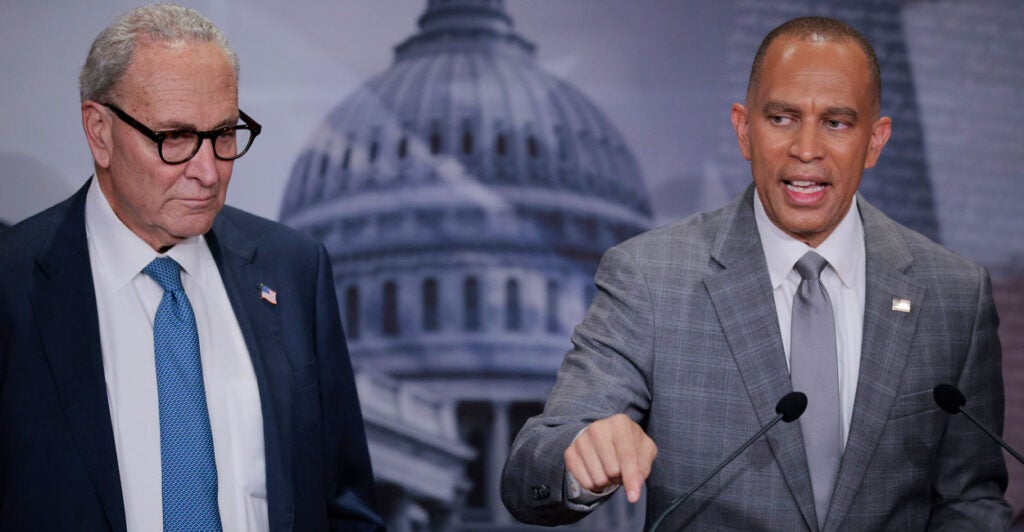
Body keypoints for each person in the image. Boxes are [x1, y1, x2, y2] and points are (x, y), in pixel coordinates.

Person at [501, 15, 1010, 530]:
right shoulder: (650, 278)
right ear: (744, 130)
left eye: (836, 123)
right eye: (782, 118)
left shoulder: (954, 295)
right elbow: (529, 472)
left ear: (875, 141)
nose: (806, 149)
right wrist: (578, 460)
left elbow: (970, 500)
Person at [0, 4, 383, 531]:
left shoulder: (293, 270)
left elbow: (345, 505)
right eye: (174, 138)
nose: (208, 171)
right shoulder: (12, 284)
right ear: (99, 132)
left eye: (224, 133)